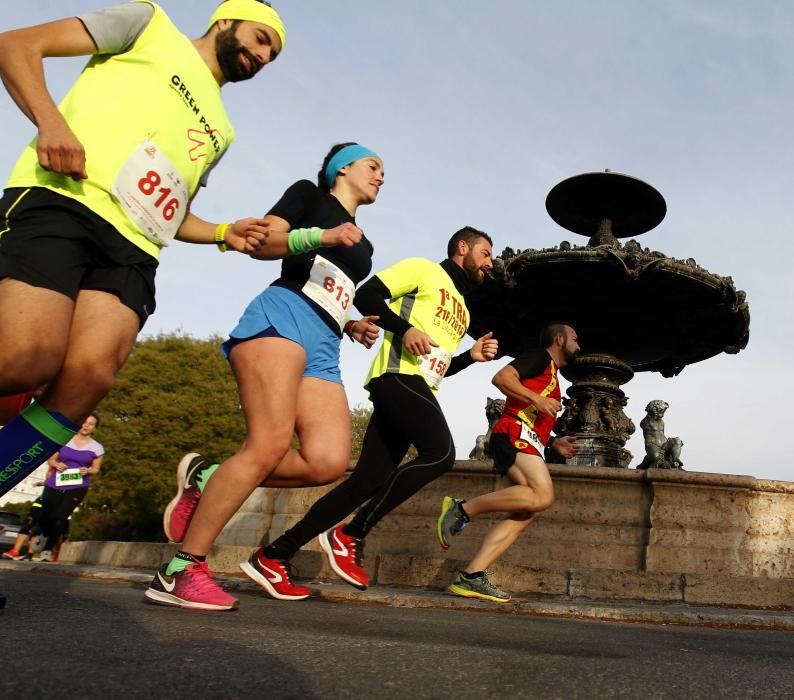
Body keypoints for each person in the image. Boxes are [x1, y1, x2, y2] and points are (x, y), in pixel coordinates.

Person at [0, 0, 287, 497]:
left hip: (135, 248)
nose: (263, 57)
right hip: (66, 201)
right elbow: (17, 45)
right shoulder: (149, 24)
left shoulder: (222, 130)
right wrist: (51, 122)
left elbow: (175, 213)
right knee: (27, 359)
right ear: (226, 21)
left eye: (273, 55)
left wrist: (224, 233)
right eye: (261, 39)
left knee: (88, 378)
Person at [145, 142, 384, 610]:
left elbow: (331, 287)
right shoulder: (307, 197)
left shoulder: (365, 242)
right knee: (268, 444)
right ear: (342, 168)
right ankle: (180, 570)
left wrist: (351, 322)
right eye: (373, 166)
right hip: (283, 317)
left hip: (325, 341)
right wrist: (322, 235)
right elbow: (263, 244)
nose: (381, 176)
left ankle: (208, 476)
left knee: (327, 461)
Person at [251, 227, 498, 600]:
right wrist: (405, 328)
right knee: (441, 454)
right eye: (485, 253)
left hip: (419, 387)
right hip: (396, 378)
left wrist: (470, 356)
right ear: (462, 248)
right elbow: (368, 294)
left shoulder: (462, 311)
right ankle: (352, 532)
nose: (489, 262)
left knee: (365, 481)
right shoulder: (424, 270)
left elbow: (438, 365)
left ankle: (274, 554)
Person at [437, 323, 581, 602]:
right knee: (542, 494)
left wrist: (552, 442)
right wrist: (537, 399)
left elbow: (528, 410)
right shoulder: (540, 357)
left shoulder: (551, 373)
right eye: (575, 338)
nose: (579, 344)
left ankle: (471, 576)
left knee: (524, 513)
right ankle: (461, 509)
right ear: (560, 340)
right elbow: (502, 378)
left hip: (527, 439)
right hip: (513, 434)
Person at [34, 414, 104, 562]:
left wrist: (88, 470)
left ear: (94, 428)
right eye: (84, 422)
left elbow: (96, 469)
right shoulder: (64, 439)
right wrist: (56, 464)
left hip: (78, 485)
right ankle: (43, 532)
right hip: (55, 482)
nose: (86, 426)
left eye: (90, 424)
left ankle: (47, 550)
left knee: (60, 517)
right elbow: (51, 460)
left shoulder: (97, 447)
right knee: (45, 514)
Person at [1, 489, 45, 560]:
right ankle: (18, 552)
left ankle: (28, 554)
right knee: (30, 524)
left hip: (52, 500)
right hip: (43, 499)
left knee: (36, 527)